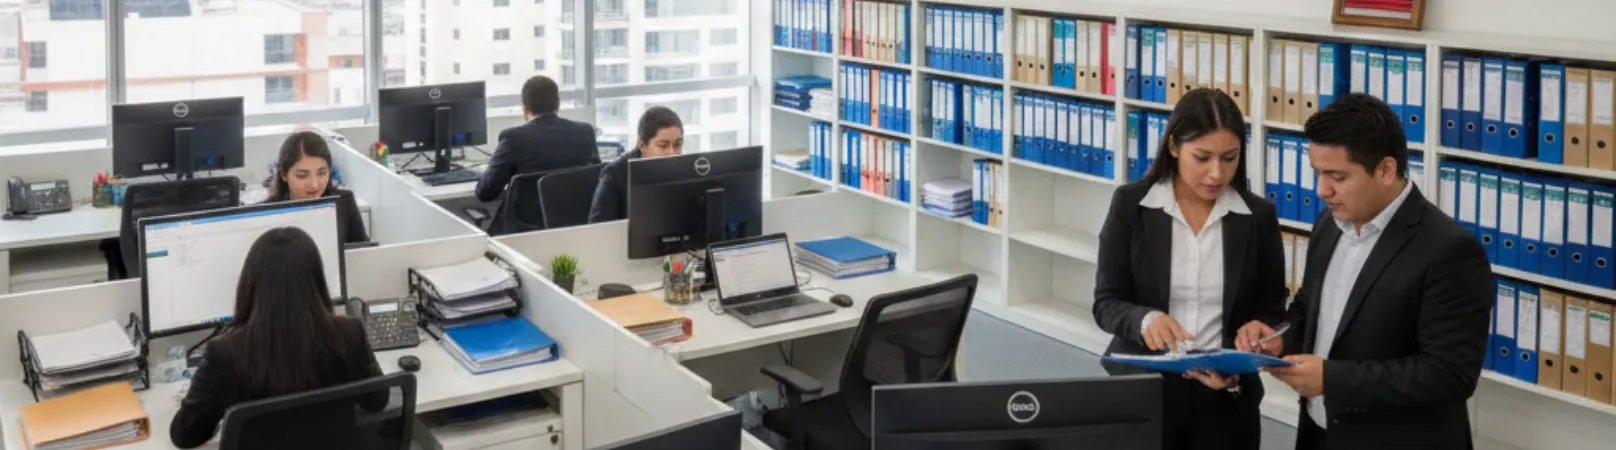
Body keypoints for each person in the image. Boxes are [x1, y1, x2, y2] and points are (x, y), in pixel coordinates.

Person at [1240, 94, 1492, 450]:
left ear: (1386, 170)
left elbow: (1449, 374)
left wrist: (1332, 380)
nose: (1321, 190)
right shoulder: (1330, 223)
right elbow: (1309, 309)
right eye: (1318, 173)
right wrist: (1279, 338)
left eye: (1337, 176)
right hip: (1319, 431)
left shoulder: (1450, 250)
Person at [1092, 88, 1288, 450]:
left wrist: (1246, 348)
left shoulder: (1259, 218)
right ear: (1174, 147)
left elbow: (1272, 310)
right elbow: (1106, 302)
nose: (1217, 173)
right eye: (1203, 157)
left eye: (1230, 158)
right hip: (1145, 389)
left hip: (1225, 396)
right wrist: (1145, 320)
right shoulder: (1131, 205)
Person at [170, 227, 386, 448]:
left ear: (250, 282)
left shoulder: (225, 352)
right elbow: (378, 400)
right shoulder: (349, 332)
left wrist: (215, 405)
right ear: (316, 279)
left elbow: (185, 435)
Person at [474, 75, 600, 205]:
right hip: (578, 220)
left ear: (524, 108)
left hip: (527, 223)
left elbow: (485, 192)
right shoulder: (585, 131)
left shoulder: (512, 138)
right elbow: (597, 179)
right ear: (558, 103)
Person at [588, 106, 684, 223]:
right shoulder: (615, 174)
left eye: (677, 145)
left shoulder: (685, 171)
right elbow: (598, 228)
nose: (672, 153)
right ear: (642, 145)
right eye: (663, 146)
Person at [270, 131, 369, 244]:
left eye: (321, 173)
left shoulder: (344, 202)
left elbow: (363, 254)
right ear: (283, 175)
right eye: (302, 176)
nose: (314, 185)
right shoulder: (266, 213)